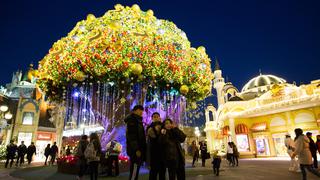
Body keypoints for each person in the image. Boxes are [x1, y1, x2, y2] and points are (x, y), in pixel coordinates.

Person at [124, 105, 147, 180]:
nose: (141, 112)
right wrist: (136, 149)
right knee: (134, 170)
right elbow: (132, 136)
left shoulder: (138, 120)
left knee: (135, 170)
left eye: (142, 110)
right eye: (139, 110)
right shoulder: (132, 120)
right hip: (135, 150)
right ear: (134, 111)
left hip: (138, 149)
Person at [146, 112, 165, 180]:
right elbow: (153, 137)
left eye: (157, 116)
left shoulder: (164, 126)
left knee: (162, 173)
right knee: (153, 173)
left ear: (160, 118)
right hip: (153, 153)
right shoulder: (149, 127)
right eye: (154, 117)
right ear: (152, 118)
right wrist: (155, 129)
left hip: (163, 153)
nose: (156, 118)